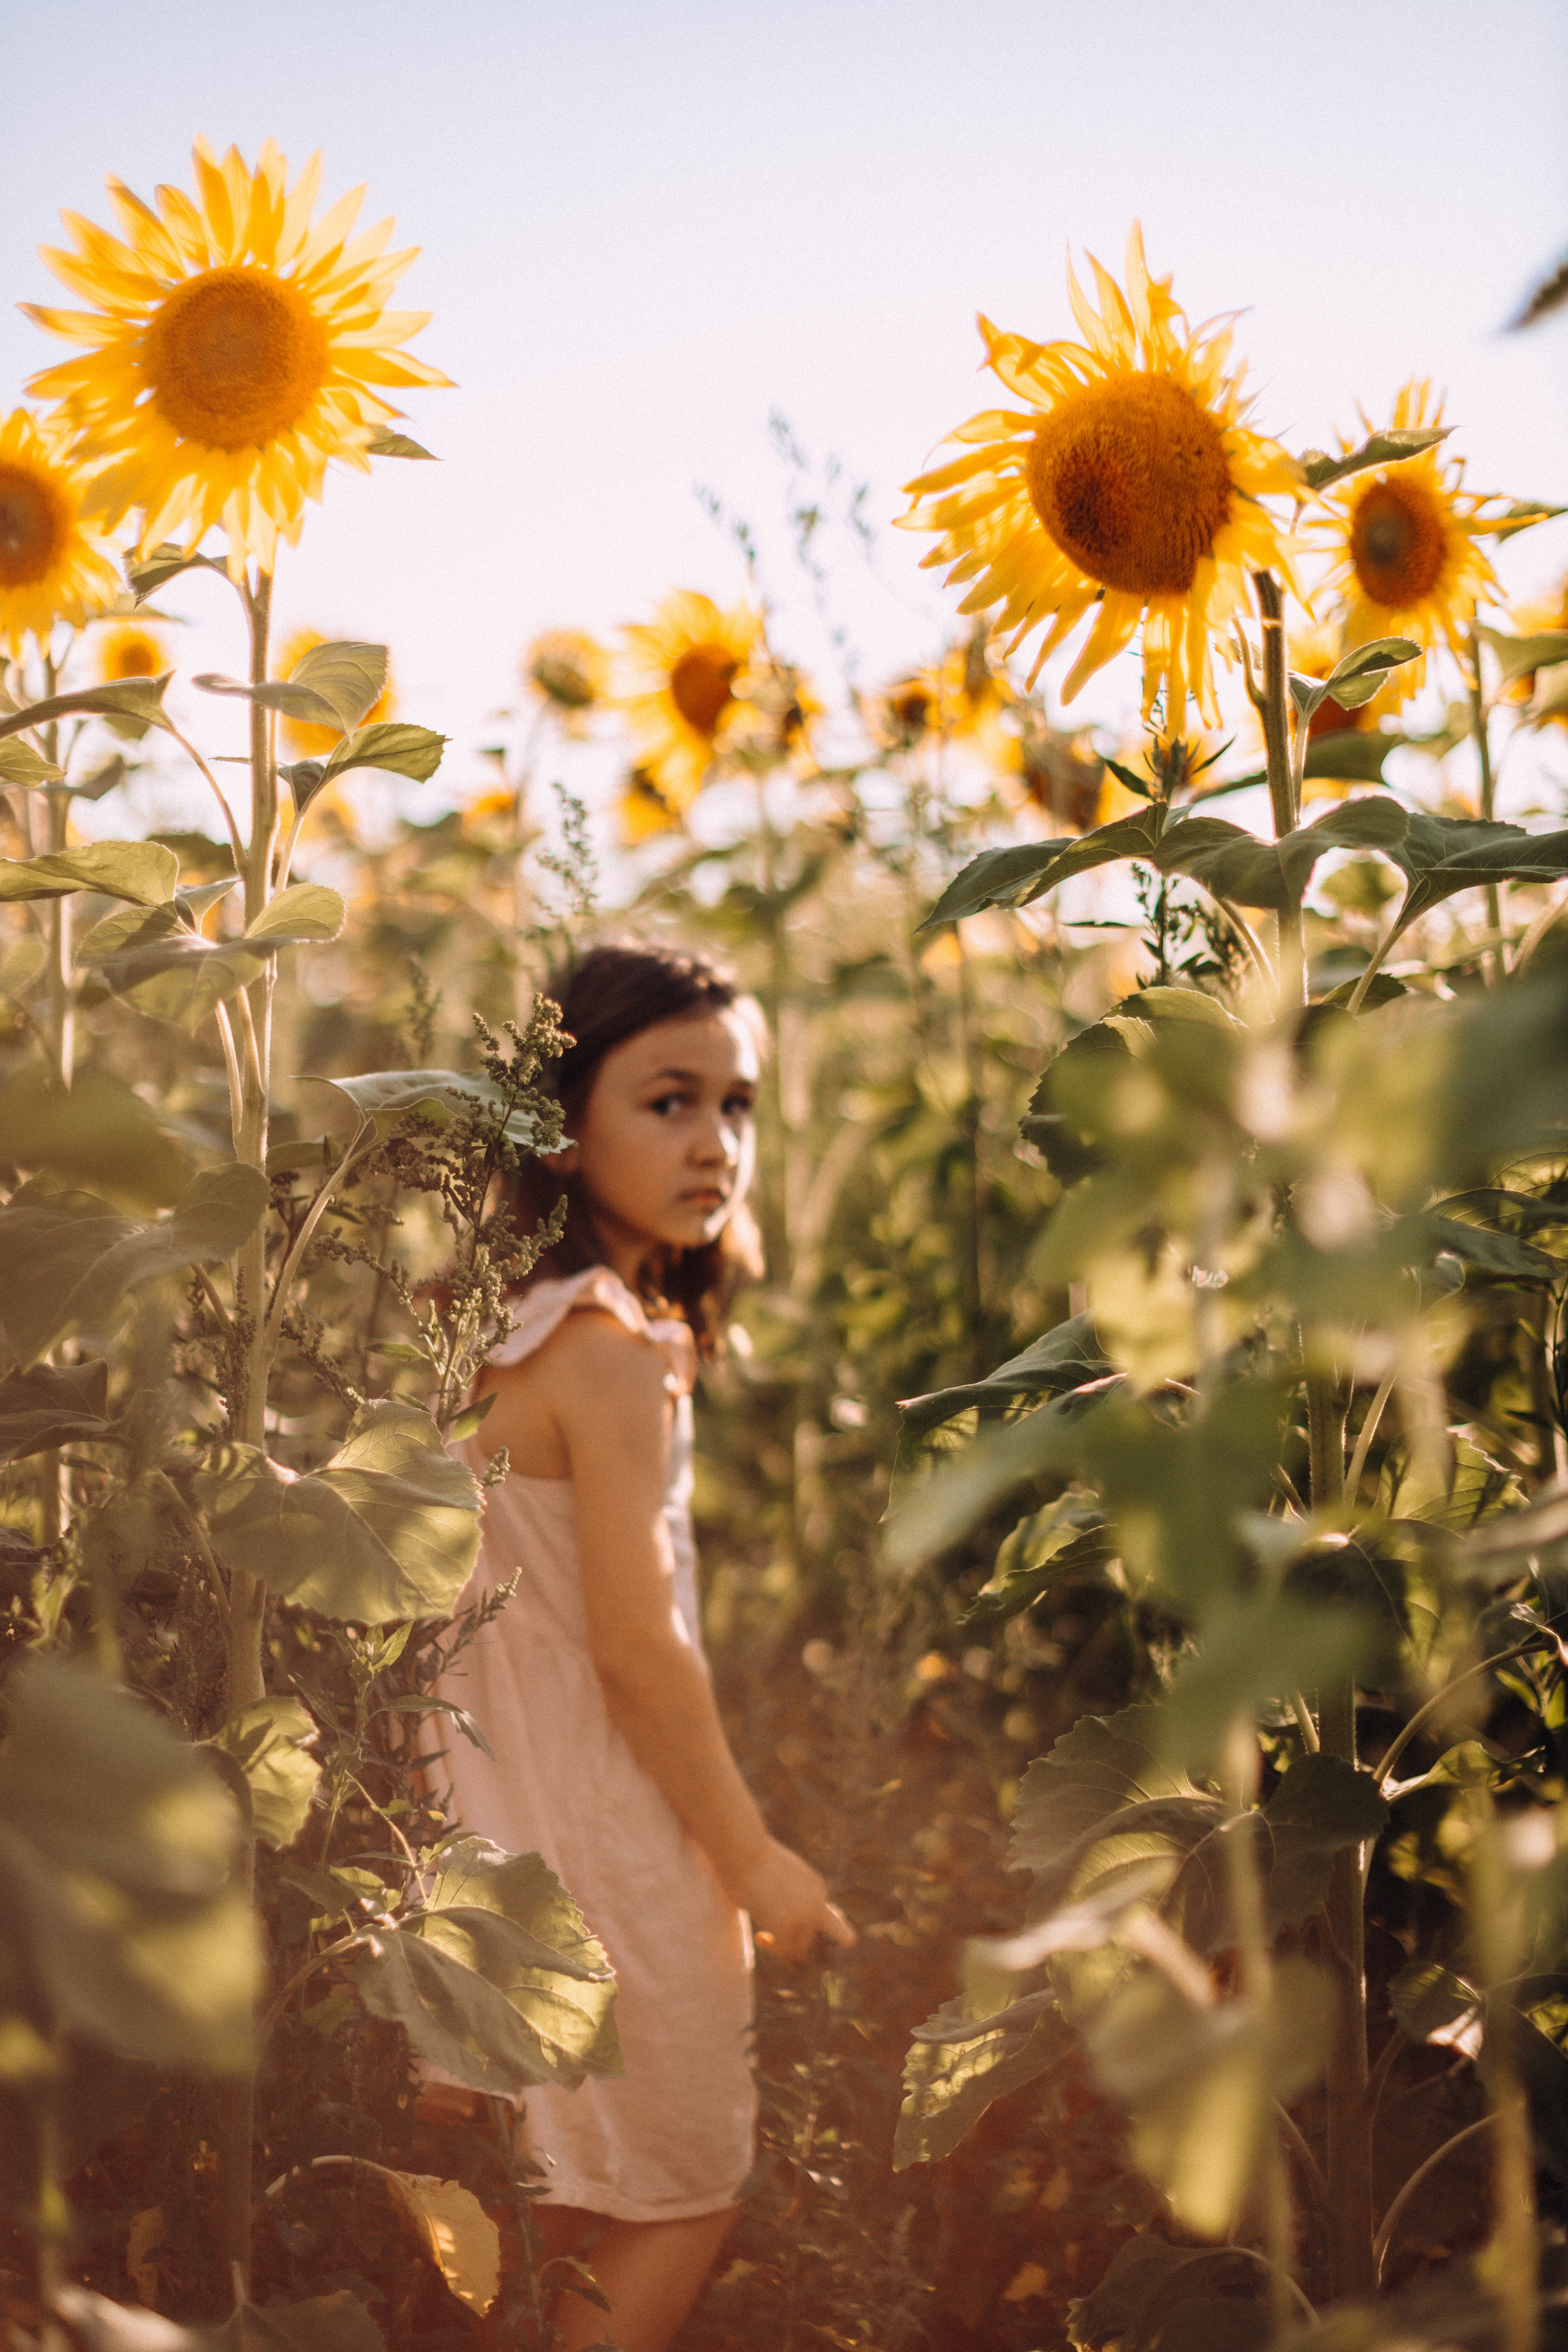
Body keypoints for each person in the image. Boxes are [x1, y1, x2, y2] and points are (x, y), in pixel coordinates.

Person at [424, 941, 854, 2352]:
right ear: (563, 1121)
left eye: (738, 1106)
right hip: (606, 1831)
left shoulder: (495, 1329)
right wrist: (753, 1861)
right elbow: (636, 1648)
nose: (715, 1143)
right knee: (682, 2180)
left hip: (482, 1839)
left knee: (540, 2220)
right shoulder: (605, 1347)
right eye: (668, 1101)